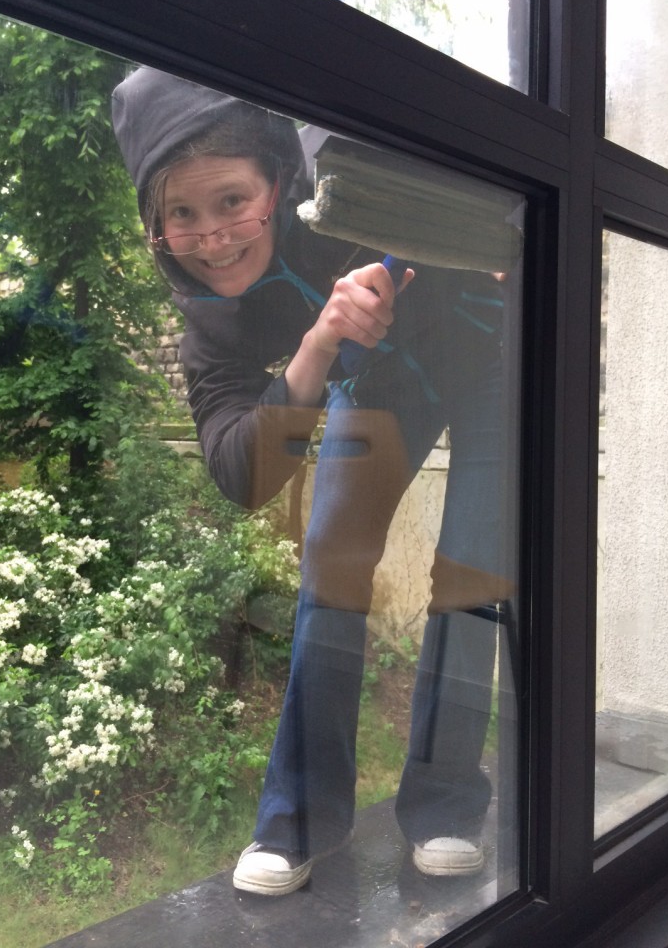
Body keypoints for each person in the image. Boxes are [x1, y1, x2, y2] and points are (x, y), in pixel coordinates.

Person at [112, 67, 515, 897]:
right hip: (381, 384)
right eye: (180, 215)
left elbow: (478, 165)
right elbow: (241, 474)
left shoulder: (340, 162)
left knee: (471, 568)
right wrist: (320, 341)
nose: (213, 236)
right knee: (330, 559)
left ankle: (443, 804)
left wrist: (508, 239)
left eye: (232, 201)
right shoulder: (209, 321)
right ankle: (298, 821)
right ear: (155, 224)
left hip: (488, 355)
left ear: (277, 178)